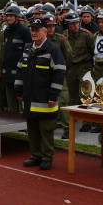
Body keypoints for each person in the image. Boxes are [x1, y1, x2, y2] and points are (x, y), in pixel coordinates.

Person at [16, 17, 66, 170]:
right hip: (30, 97)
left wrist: (53, 95)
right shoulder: (27, 49)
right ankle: (35, 156)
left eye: (37, 30)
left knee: (46, 130)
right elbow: (20, 70)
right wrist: (18, 89)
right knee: (32, 130)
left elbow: (59, 73)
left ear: (45, 32)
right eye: (32, 30)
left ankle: (47, 157)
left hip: (45, 99)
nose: (33, 33)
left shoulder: (53, 49)